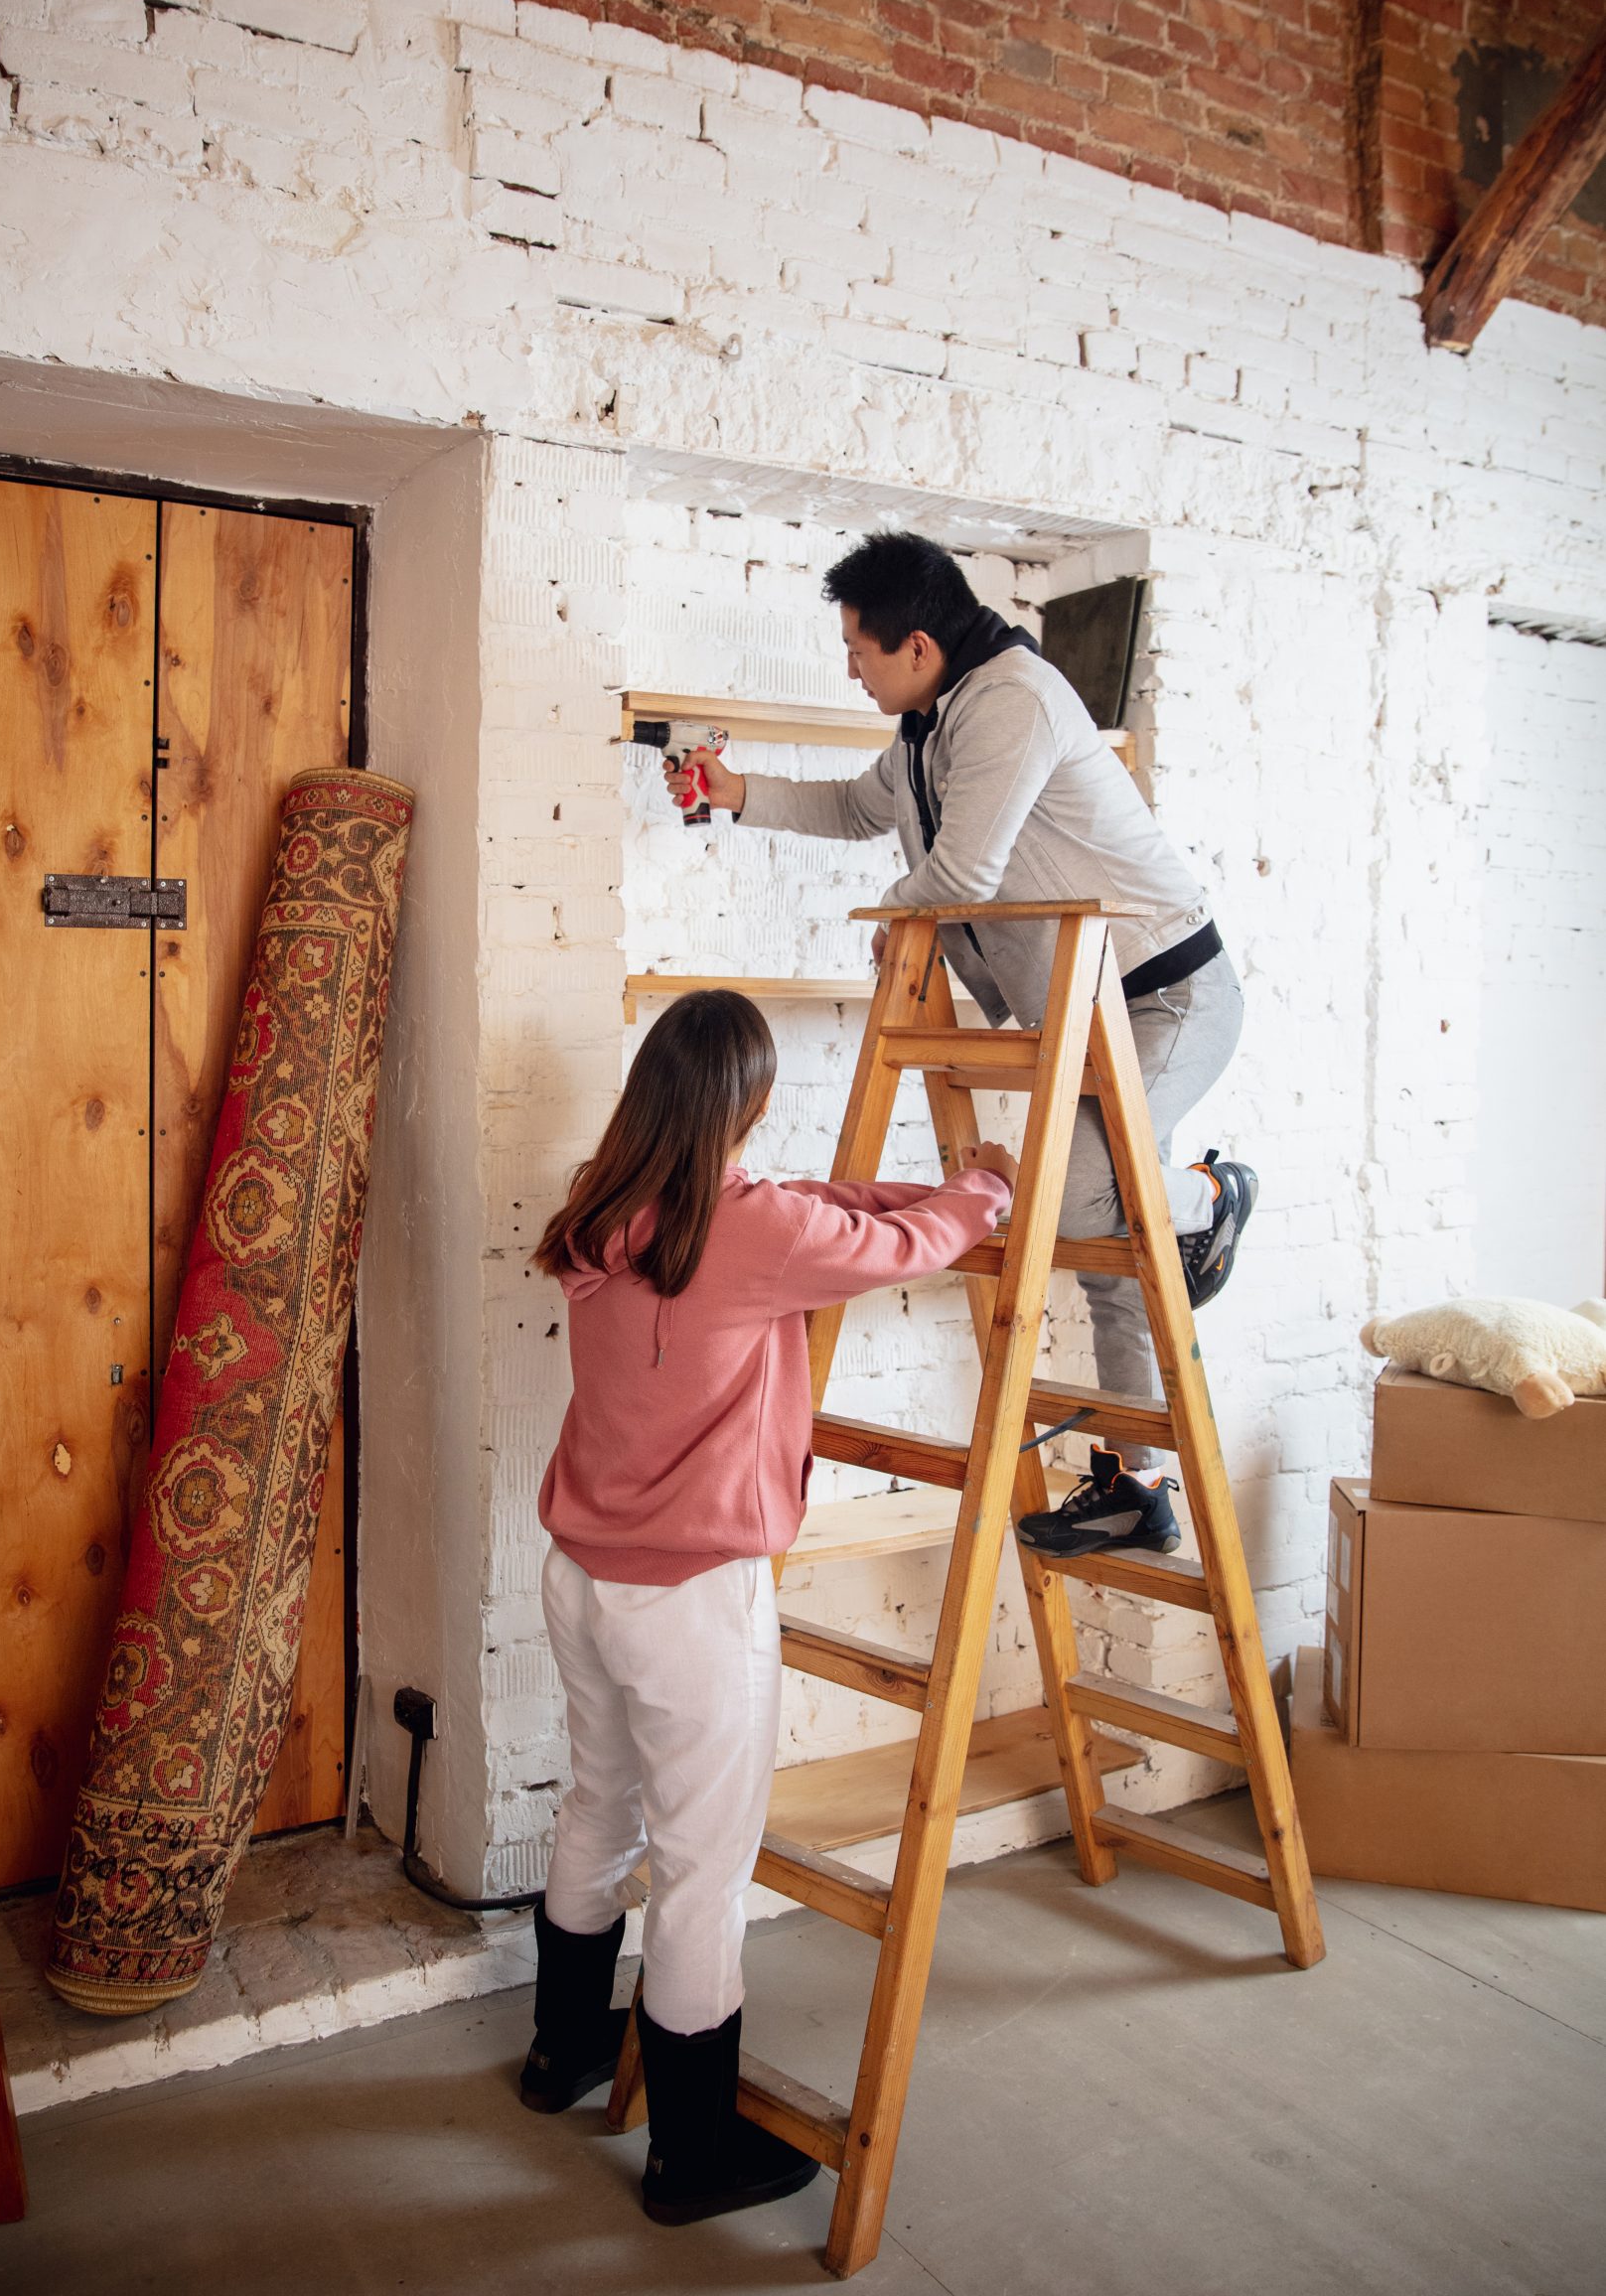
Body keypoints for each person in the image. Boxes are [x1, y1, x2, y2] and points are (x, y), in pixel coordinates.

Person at [522, 988, 1014, 2225]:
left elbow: (822, 1214)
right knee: (700, 1870)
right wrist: (981, 1188)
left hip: (580, 1575)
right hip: (690, 1599)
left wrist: (888, 1194)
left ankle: (561, 2053)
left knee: (598, 1804)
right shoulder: (745, 1229)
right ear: (742, 1102)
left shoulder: (600, 1201)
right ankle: (691, 2156)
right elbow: (904, 1248)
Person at [667, 529, 1256, 1561]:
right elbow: (859, 810)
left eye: (859, 649)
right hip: (1086, 1018)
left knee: (1077, 1203)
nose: (849, 666)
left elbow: (960, 876)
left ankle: (1212, 1196)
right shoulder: (922, 729)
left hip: (1166, 1000)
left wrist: (882, 930)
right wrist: (733, 790)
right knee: (1111, 1255)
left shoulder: (1011, 705)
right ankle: (1135, 1486)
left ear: (920, 646)